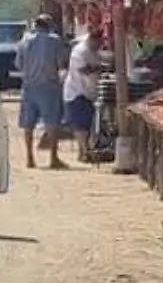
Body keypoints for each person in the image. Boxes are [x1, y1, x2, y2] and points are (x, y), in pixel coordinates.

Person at [16, 15, 69, 170]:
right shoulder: (54, 40)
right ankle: (53, 158)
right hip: (49, 86)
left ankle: (30, 158)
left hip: (28, 86)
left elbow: (19, 64)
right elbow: (61, 63)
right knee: (52, 123)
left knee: (28, 124)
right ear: (49, 25)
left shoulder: (24, 41)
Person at [63, 27, 103, 164]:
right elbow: (84, 70)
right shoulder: (80, 51)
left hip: (89, 91)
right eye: (98, 42)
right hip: (77, 91)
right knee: (81, 125)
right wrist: (100, 69)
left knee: (86, 123)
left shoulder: (93, 51)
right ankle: (85, 151)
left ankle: (83, 152)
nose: (100, 46)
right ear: (92, 40)